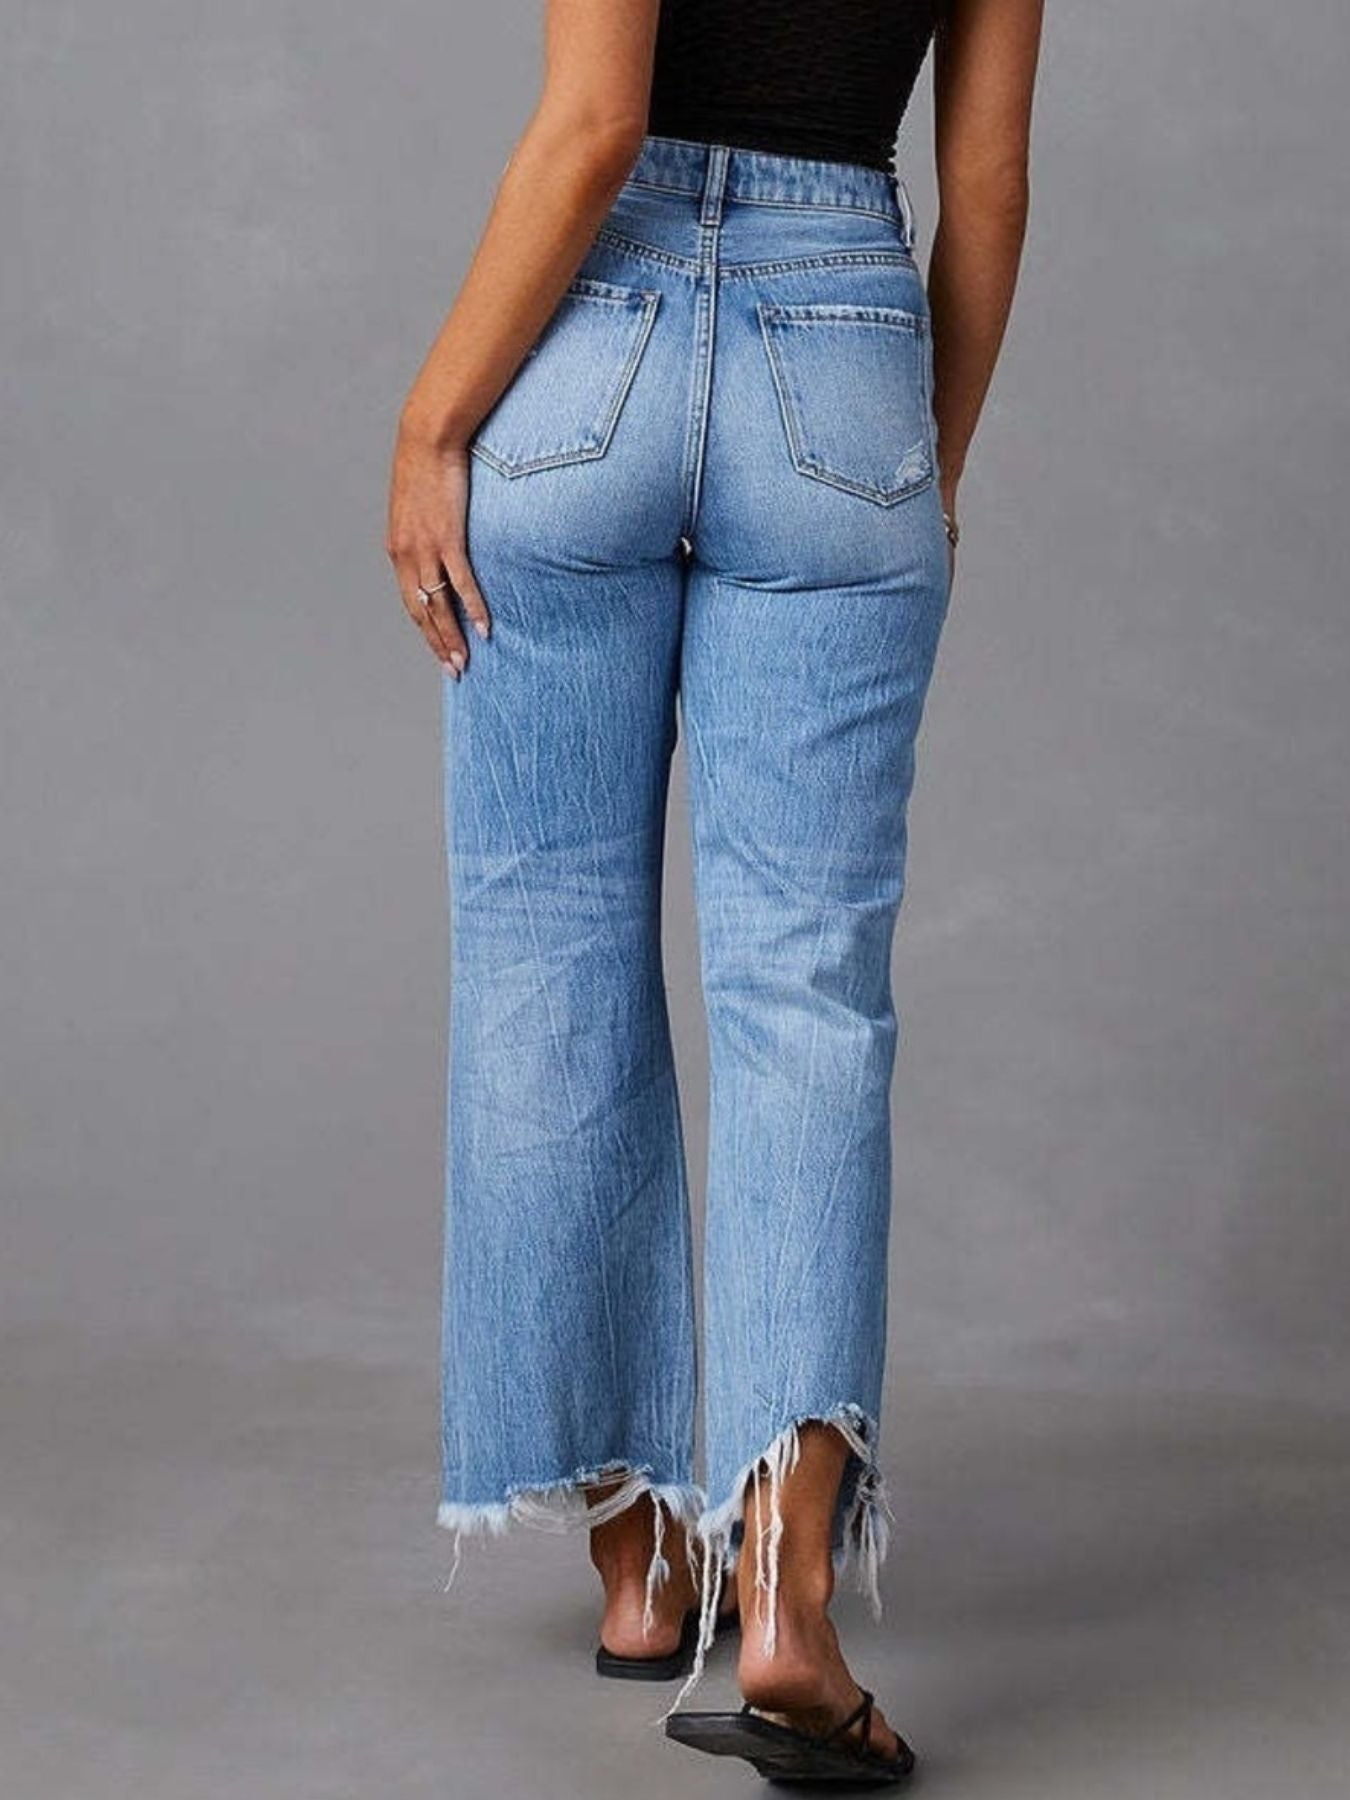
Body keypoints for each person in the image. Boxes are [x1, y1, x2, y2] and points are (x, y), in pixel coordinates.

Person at [386, 0, 1043, 1782]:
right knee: (804, 991)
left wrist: (431, 426)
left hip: (585, 343)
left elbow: (594, 126)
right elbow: (985, 185)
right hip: (845, 361)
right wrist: (922, 463)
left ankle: (634, 1567)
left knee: (545, 951)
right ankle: (786, 1608)